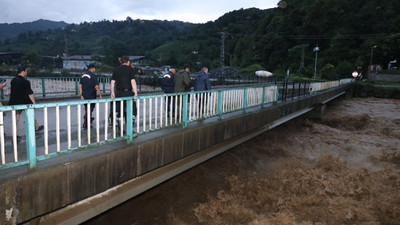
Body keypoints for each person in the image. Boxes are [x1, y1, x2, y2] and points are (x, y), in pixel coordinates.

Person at [9, 65, 43, 136]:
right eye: (26, 71)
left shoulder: (13, 80)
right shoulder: (26, 82)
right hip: (25, 102)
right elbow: (30, 93)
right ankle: (36, 128)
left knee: (15, 120)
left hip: (14, 102)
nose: (26, 73)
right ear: (23, 71)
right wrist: (34, 103)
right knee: (31, 115)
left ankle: (14, 136)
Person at [110, 56, 138, 126]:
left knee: (120, 110)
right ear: (128, 62)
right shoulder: (130, 69)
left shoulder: (116, 69)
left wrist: (112, 92)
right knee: (132, 110)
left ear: (121, 62)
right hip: (128, 92)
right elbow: (133, 81)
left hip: (119, 93)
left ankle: (120, 128)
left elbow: (112, 82)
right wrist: (135, 93)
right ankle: (130, 128)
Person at [79, 63, 102, 128]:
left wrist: (81, 95)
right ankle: (87, 123)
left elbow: (80, 85)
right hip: (91, 94)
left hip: (84, 94)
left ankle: (88, 121)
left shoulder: (83, 75)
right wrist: (100, 94)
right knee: (90, 109)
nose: (95, 69)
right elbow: (97, 86)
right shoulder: (93, 75)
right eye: (94, 68)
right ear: (92, 68)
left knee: (87, 108)